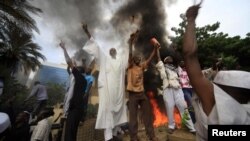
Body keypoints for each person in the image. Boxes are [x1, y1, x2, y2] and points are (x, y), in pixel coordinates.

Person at [183, 3, 250, 141]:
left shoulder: (215, 100)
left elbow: (190, 55)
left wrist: (191, 20)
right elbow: (190, 57)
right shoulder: (218, 101)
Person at [81, 24, 128, 141]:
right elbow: (95, 47)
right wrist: (87, 31)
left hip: (119, 93)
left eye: (114, 50)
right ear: (108, 52)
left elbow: (128, 51)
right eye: (110, 50)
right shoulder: (104, 59)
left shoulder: (121, 62)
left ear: (116, 53)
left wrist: (131, 40)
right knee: (107, 112)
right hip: (107, 91)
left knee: (117, 115)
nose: (112, 50)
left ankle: (115, 133)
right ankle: (108, 137)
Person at [154, 41, 196, 134]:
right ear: (164, 61)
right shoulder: (162, 67)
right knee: (169, 108)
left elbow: (178, 58)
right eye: (167, 58)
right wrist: (157, 49)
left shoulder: (176, 68)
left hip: (177, 89)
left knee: (183, 107)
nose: (169, 58)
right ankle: (171, 126)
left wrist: (174, 50)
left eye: (170, 58)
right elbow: (158, 58)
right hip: (167, 90)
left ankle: (191, 128)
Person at [126, 34, 158, 141]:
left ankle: (151, 135)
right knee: (133, 117)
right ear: (133, 59)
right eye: (136, 57)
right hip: (133, 94)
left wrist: (155, 48)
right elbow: (130, 54)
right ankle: (134, 137)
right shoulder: (130, 66)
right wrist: (130, 43)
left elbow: (150, 58)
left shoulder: (142, 66)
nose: (138, 58)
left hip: (141, 94)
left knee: (147, 115)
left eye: (139, 57)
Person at [59, 41, 87, 141]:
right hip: (76, 109)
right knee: (71, 134)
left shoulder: (79, 78)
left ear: (78, 72)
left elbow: (69, 62)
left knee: (69, 136)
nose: (73, 69)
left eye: (75, 69)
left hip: (74, 110)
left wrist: (64, 49)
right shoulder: (81, 80)